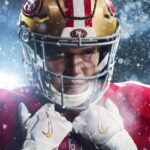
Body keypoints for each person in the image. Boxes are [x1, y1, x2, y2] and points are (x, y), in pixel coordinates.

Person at [0, 0, 149, 149]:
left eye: (88, 51)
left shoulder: (139, 103)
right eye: (59, 53)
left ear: (103, 53)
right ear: (34, 52)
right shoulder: (5, 108)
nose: (75, 70)